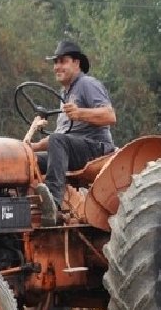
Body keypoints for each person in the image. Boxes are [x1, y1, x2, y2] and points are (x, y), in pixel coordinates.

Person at [27, 40, 116, 225]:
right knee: (27, 161)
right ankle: (24, 208)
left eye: (62, 61)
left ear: (76, 63)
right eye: (55, 62)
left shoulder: (87, 84)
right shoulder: (65, 94)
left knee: (58, 142)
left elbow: (110, 116)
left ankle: (53, 202)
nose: (57, 67)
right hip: (73, 149)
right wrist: (31, 148)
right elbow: (61, 136)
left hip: (96, 149)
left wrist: (80, 113)